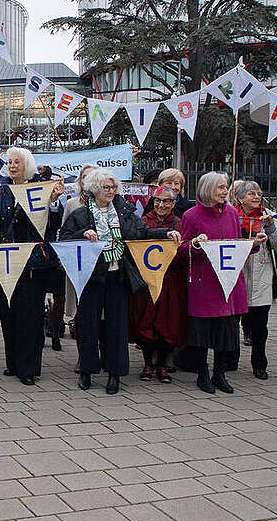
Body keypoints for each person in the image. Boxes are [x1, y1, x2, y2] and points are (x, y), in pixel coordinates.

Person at [61, 169, 181, 394]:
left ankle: (114, 374)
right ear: (95, 189)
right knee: (88, 324)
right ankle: (87, 371)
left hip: (118, 274)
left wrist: (166, 233)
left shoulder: (124, 211)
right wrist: (83, 233)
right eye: (106, 188)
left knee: (117, 326)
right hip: (92, 276)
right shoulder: (80, 214)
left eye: (113, 187)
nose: (111, 192)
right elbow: (64, 239)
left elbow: (143, 231)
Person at [178, 172, 266, 395]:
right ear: (207, 189)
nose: (225, 191)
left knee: (225, 331)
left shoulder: (230, 213)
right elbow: (181, 249)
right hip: (204, 281)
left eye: (226, 187)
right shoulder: (191, 215)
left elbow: (235, 243)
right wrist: (195, 245)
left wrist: (253, 244)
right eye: (220, 187)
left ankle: (220, 373)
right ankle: (202, 373)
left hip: (228, 281)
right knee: (203, 333)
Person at [0, 147, 65, 386]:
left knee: (30, 316)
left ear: (28, 165)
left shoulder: (43, 186)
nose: (11, 166)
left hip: (33, 263)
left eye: (16, 162)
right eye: (9, 162)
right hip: (6, 259)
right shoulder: (4, 188)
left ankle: (29, 368)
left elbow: (52, 224)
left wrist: (52, 203)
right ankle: (13, 362)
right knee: (8, 312)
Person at [128, 185, 185, 383]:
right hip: (147, 280)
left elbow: (183, 251)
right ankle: (147, 364)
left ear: (174, 204)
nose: (161, 205)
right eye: (158, 201)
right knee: (146, 321)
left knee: (167, 321)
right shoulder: (144, 221)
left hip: (170, 280)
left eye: (167, 201)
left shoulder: (179, 223)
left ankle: (163, 365)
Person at [233, 180, 277, 380]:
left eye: (258, 193)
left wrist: (271, 228)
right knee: (233, 321)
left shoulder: (269, 217)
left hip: (262, 274)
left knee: (260, 325)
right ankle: (231, 359)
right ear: (240, 198)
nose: (256, 197)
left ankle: (259, 363)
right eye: (251, 194)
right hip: (238, 272)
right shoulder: (232, 215)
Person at [56, 165, 97, 348]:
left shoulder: (106, 204)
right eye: (84, 177)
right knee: (80, 310)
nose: (87, 182)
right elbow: (64, 230)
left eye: (92, 177)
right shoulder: (73, 203)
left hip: (98, 264)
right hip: (78, 261)